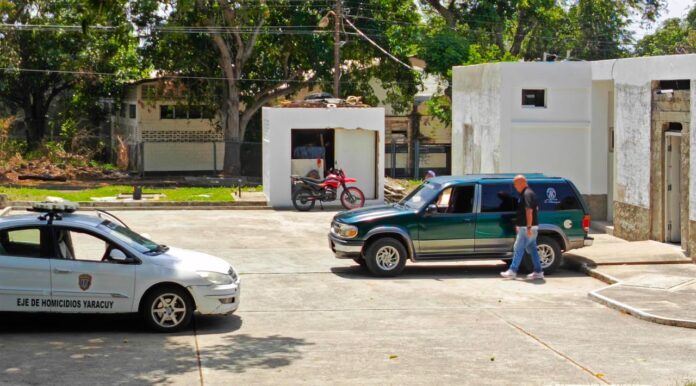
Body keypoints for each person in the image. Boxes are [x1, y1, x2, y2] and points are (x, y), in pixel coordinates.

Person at [500, 175, 544, 280]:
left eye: (515, 184)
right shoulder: (528, 193)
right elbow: (534, 209)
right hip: (528, 227)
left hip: (527, 228)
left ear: (521, 182)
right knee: (532, 249)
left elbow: (529, 211)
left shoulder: (527, 194)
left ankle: (513, 270)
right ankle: (538, 271)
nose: (515, 186)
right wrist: (519, 225)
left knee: (518, 249)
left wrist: (528, 227)